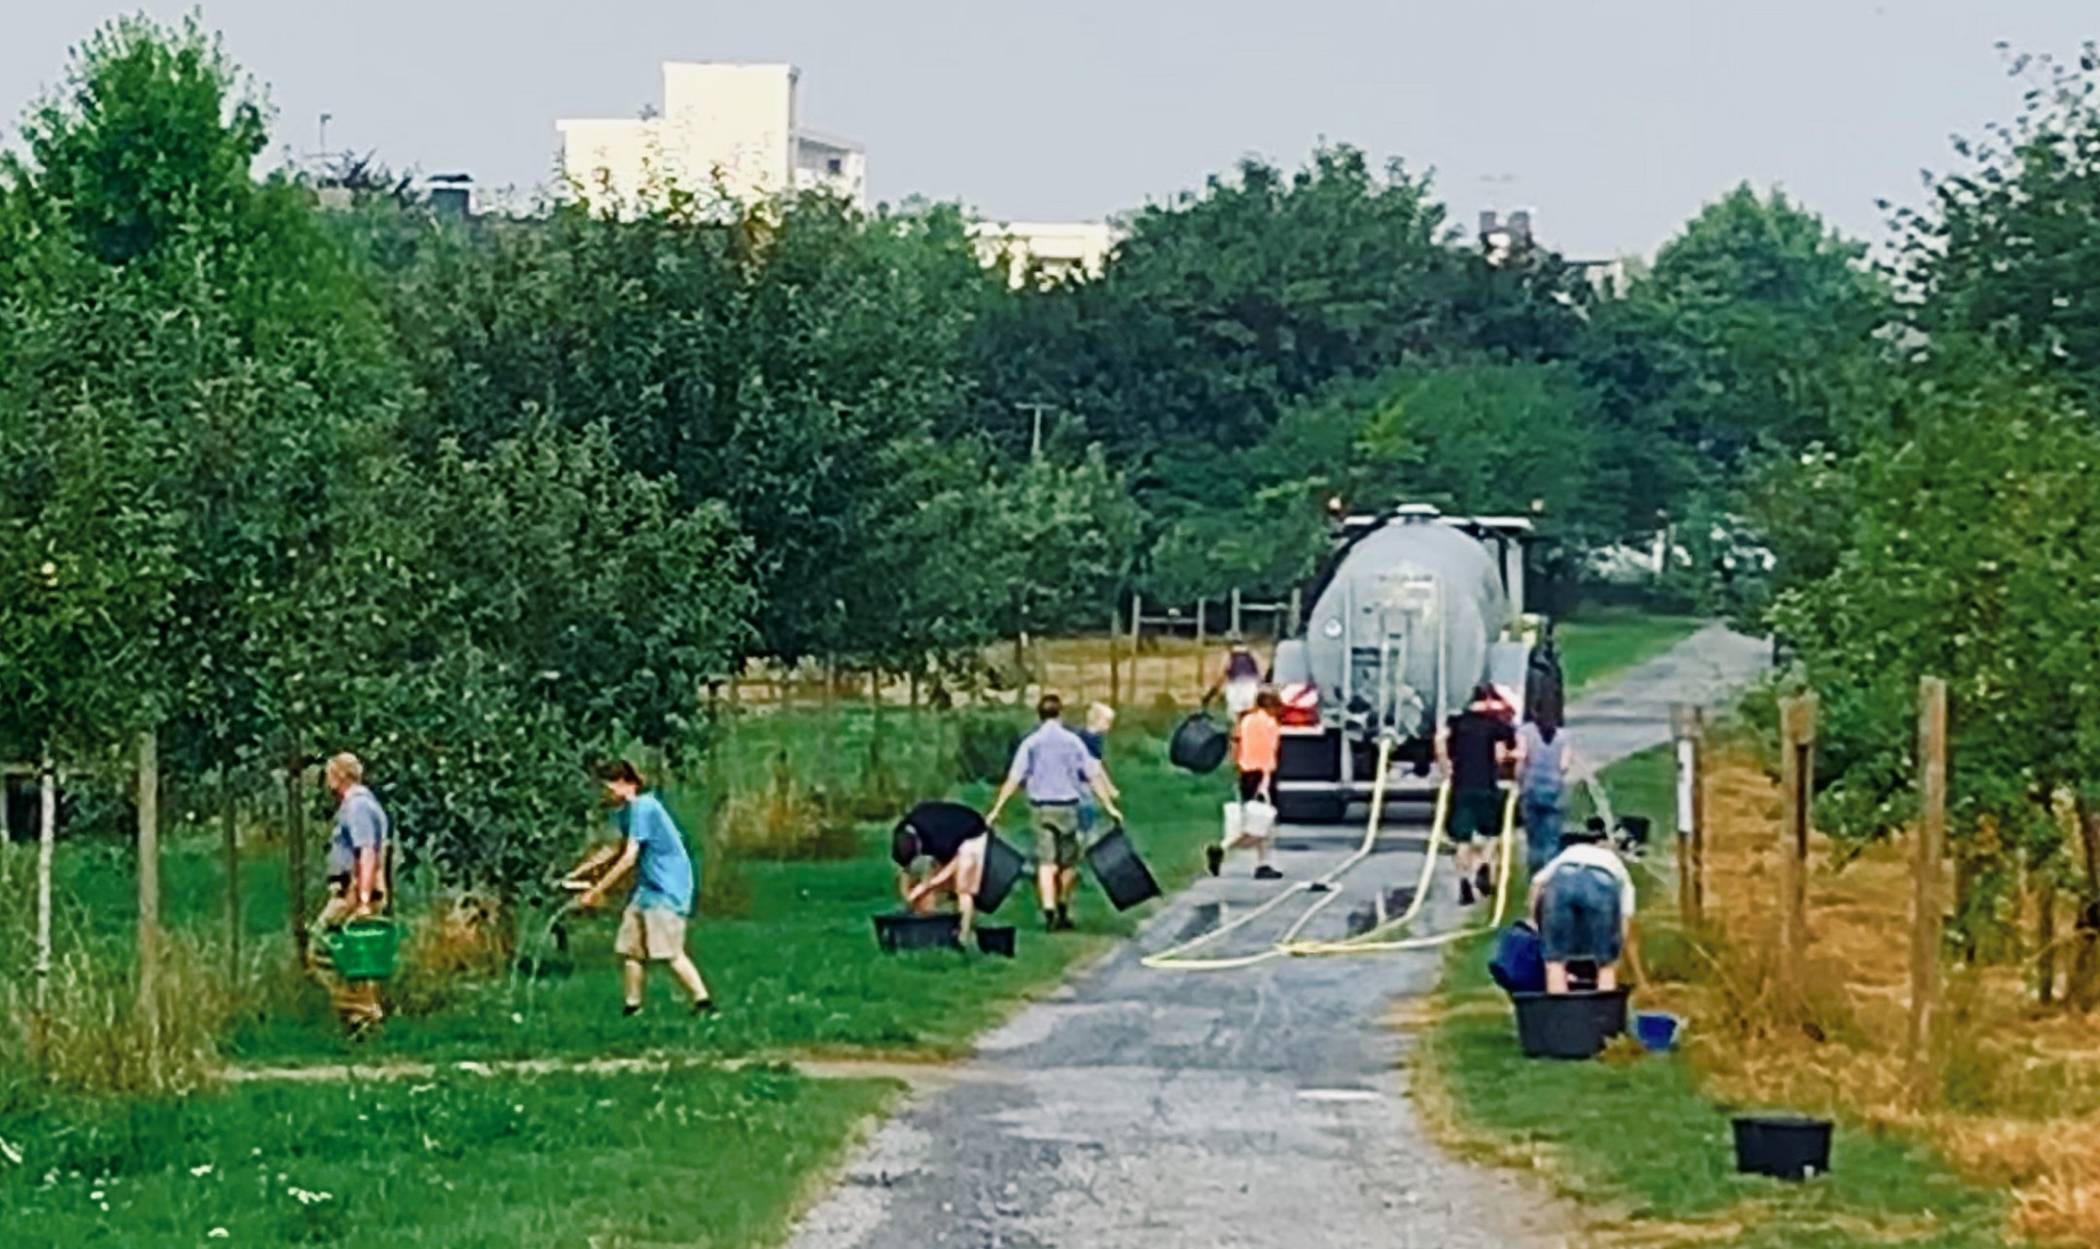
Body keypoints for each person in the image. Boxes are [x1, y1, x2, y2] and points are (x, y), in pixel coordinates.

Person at [578, 761, 715, 1017]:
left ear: (624, 783)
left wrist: (597, 890)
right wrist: (578, 873)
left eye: (607, 788)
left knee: (669, 952)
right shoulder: (624, 812)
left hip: (667, 888)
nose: (604, 794)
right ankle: (632, 1007)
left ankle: (704, 1003)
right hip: (646, 889)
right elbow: (612, 849)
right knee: (631, 949)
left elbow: (629, 857)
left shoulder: (644, 807)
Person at [986, 694, 1122, 931]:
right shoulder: (1073, 741)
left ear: (1039, 715)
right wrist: (1110, 806)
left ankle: (1048, 912)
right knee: (1068, 863)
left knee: (1046, 862)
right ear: (1060, 714)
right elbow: (1092, 775)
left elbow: (1014, 778)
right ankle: (1062, 905)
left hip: (1041, 809)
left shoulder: (1031, 743)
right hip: (1068, 807)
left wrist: (997, 808)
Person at [313, 752, 389, 1032]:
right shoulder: (363, 803)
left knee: (321, 947)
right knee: (356, 956)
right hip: (355, 890)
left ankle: (363, 1010)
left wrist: (363, 899)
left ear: (341, 775)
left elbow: (366, 852)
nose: (327, 780)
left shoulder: (357, 807)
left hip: (353, 891)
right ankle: (361, 1022)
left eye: (330, 773)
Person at [1528, 820, 1637, 994]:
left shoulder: (1569, 852)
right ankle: (1602, 1007)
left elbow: (1537, 884)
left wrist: (1534, 921)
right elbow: (1625, 916)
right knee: (1606, 965)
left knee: (1555, 961)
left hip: (1563, 880)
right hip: (1602, 882)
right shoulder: (1616, 864)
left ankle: (1558, 1008)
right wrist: (1615, 947)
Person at [1438, 683, 1516, 907]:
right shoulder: (1495, 726)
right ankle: (1483, 865)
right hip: (1486, 785)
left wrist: (1446, 767)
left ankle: (1464, 882)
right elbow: (1500, 755)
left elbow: (1440, 742)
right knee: (1492, 834)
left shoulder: (1457, 722)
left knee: (1462, 840)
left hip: (1461, 786)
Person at [1208, 686, 1284, 880]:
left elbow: (1235, 745)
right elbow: (1268, 753)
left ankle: (1261, 862)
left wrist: (1237, 765)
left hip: (1246, 773)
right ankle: (1229, 850)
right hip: (1262, 774)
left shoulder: (1246, 721)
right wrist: (1266, 781)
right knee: (1263, 822)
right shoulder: (1270, 724)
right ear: (1272, 705)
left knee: (1253, 819)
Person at [892, 800, 991, 944]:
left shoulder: (939, 840)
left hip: (973, 833)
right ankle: (938, 921)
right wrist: (908, 897)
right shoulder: (901, 833)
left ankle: (964, 935)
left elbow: (953, 865)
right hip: (947, 833)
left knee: (963, 889)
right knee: (935, 883)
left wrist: (927, 885)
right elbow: (904, 870)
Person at [1514, 707, 1577, 876]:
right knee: (1551, 840)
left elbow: (1522, 758)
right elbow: (1564, 766)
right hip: (1555, 792)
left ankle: (1534, 877)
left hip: (1531, 789)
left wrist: (1519, 781)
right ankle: (1549, 876)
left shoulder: (1525, 731)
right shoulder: (1564, 736)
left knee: (1534, 840)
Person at [1075, 702, 1119, 836]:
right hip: (1079, 784)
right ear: (1096, 720)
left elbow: (1098, 766)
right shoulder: (1088, 740)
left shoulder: (1095, 738)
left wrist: (1109, 787)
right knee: (1085, 821)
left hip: (1084, 782)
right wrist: (1109, 806)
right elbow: (1093, 774)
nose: (1109, 726)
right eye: (1107, 721)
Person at [1204, 637, 1264, 722]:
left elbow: (1220, 676)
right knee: (1252, 719)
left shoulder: (1229, 654)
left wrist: (1210, 694)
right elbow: (1261, 675)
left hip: (1235, 689)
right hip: (1252, 688)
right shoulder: (1252, 653)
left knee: (1236, 720)